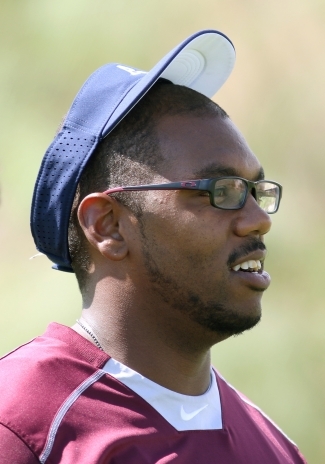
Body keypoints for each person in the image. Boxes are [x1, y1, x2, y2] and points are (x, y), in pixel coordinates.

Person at [0, 30, 306, 463]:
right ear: (109, 226)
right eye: (221, 190)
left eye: (257, 191)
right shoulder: (21, 427)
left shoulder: (273, 448)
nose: (259, 219)